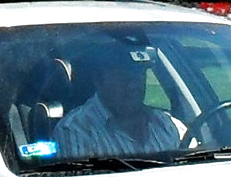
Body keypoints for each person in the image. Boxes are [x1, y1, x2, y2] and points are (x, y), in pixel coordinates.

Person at [52, 46, 181, 158]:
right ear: (98, 81)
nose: (132, 85)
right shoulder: (76, 130)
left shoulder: (164, 124)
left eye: (138, 75)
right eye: (123, 77)